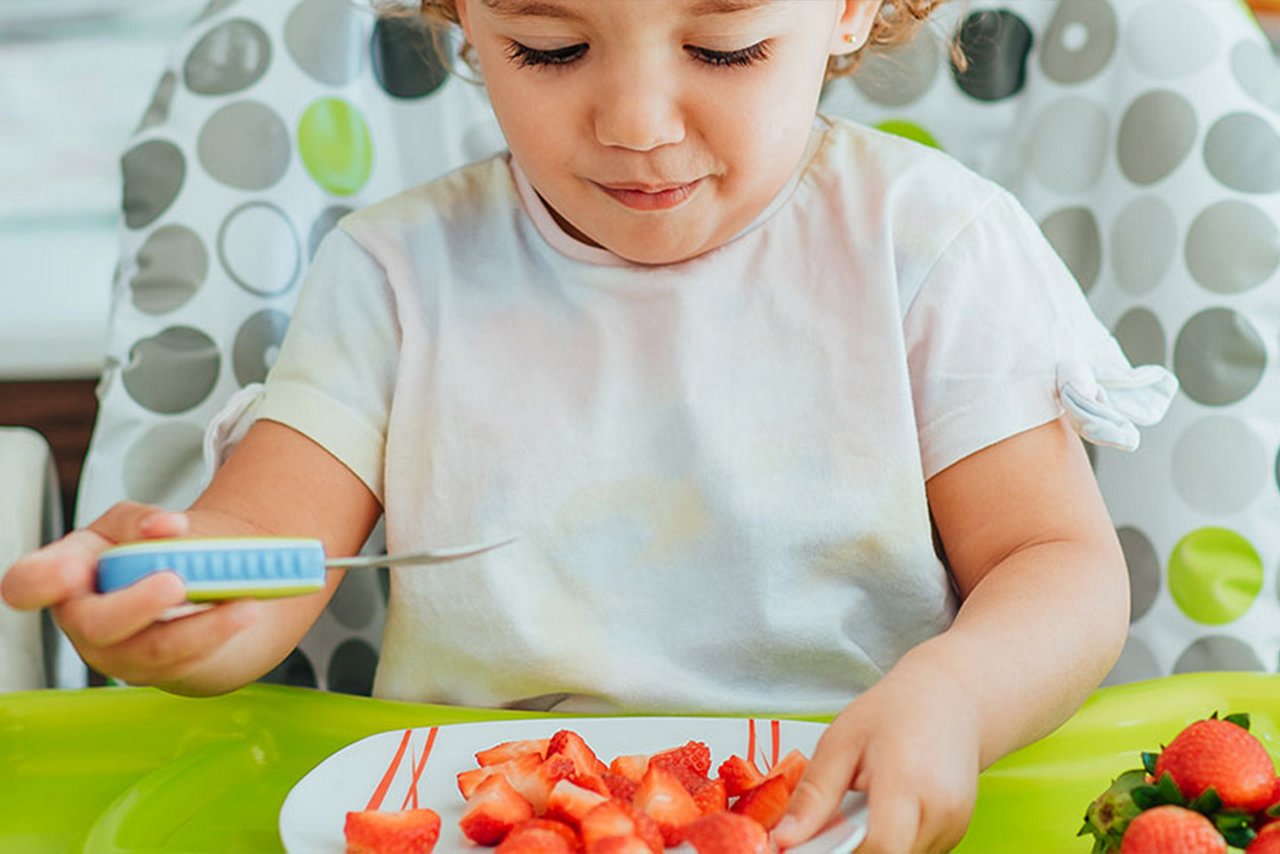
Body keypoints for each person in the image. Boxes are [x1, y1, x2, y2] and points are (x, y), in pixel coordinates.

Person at [2, 0, 1176, 850]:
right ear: (460, 19)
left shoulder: (931, 248)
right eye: (548, 47)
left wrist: (956, 698)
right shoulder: (392, 274)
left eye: (723, 47)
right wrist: (170, 606)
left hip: (843, 814)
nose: (633, 121)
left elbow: (1055, 564)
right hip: (486, 822)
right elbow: (263, 555)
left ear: (851, 12)